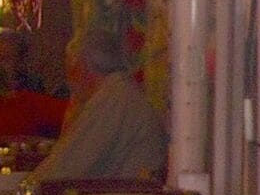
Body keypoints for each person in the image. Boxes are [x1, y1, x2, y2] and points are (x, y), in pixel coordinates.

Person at [29, 32, 170, 186]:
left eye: (69, 69)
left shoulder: (114, 98)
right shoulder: (118, 92)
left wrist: (23, 189)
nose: (69, 80)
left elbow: (65, 166)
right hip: (121, 194)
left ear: (81, 67)